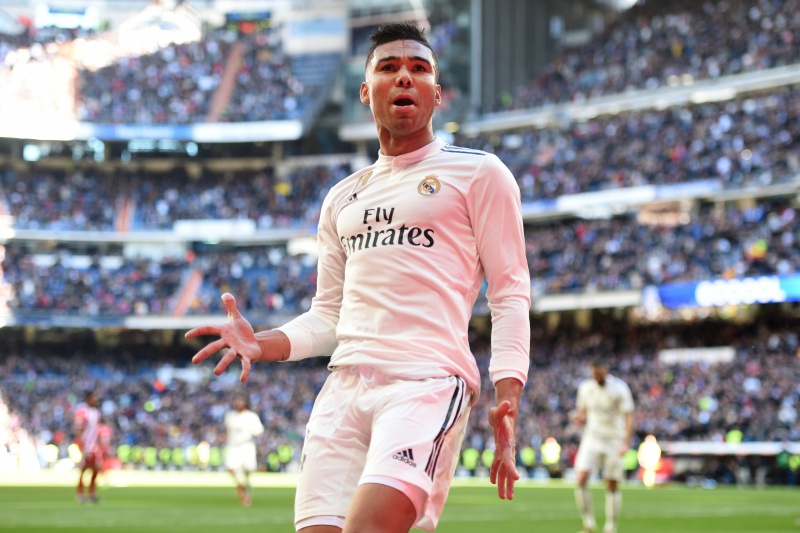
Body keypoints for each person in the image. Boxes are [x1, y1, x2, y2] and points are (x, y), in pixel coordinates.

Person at [186, 21, 531, 533]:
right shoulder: (341, 198)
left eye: (419, 69)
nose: (405, 77)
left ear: (437, 94)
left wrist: (509, 397)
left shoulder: (480, 173)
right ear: (366, 92)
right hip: (342, 390)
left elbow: (510, 294)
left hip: (426, 382)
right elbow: (328, 316)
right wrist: (262, 344)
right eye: (389, 67)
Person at [571, 360, 635, 533]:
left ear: (606, 370)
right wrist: (577, 417)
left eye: (599, 373)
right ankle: (588, 522)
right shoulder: (586, 388)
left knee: (612, 482)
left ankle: (611, 526)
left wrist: (626, 442)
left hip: (614, 438)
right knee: (581, 477)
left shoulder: (619, 388)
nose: (597, 377)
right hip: (592, 437)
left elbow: (629, 415)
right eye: (594, 374)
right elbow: (582, 413)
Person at [224, 395, 264, 507]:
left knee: (249, 469)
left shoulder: (251, 416)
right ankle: (240, 484)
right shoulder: (230, 416)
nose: (239, 403)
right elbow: (227, 430)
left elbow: (259, 431)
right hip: (233, 446)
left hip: (246, 445)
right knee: (231, 468)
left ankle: (246, 491)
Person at [73, 391, 104, 503]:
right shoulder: (82, 411)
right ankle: (80, 494)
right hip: (85, 445)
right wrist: (82, 447)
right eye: (94, 397)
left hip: (94, 446)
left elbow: (97, 430)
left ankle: (92, 494)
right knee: (83, 470)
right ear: (88, 398)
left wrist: (99, 445)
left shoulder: (96, 412)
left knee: (96, 469)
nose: (96, 400)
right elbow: (79, 430)